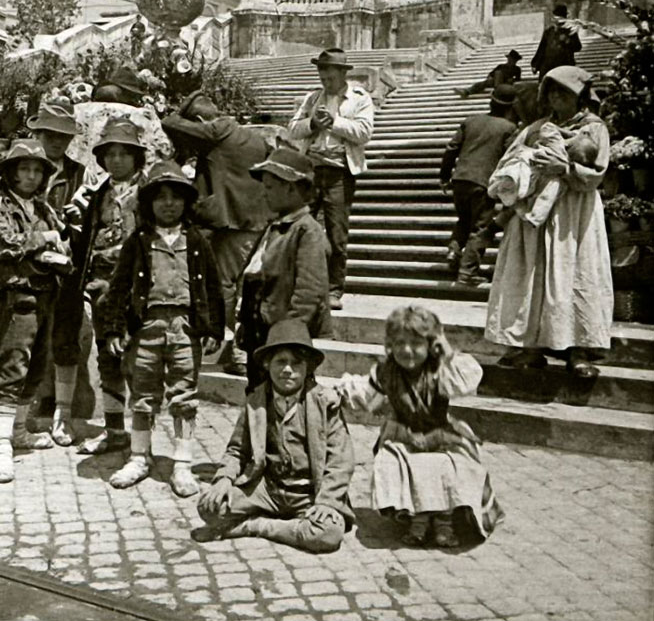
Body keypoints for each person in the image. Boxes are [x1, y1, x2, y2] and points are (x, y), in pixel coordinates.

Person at [100, 161, 225, 496]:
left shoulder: (197, 241)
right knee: (143, 392)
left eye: (175, 197)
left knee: (184, 394)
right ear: (148, 203)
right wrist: (114, 329)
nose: (168, 203)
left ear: (186, 202)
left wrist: (214, 328)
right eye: (160, 197)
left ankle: (182, 463)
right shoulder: (138, 242)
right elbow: (119, 286)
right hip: (147, 327)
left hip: (185, 327)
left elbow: (213, 286)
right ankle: (140, 456)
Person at [337, 306, 504, 547]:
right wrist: (339, 392)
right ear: (390, 345)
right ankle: (417, 518)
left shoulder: (440, 371)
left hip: (441, 433)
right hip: (403, 433)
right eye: (399, 343)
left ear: (431, 345)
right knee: (395, 462)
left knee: (446, 466)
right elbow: (366, 394)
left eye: (416, 344)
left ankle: (444, 521)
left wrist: (447, 352)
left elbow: (468, 378)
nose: (407, 350)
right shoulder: (385, 372)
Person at [485, 66, 613, 378]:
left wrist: (564, 168)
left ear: (580, 96)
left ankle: (578, 350)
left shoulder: (594, 129)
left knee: (574, 274)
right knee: (533, 276)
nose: (556, 97)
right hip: (534, 214)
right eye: (552, 91)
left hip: (574, 212)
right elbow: (509, 161)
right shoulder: (535, 127)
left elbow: (598, 173)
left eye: (564, 92)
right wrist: (524, 169)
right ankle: (531, 347)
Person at [193, 318, 354, 553]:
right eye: (280, 362)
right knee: (209, 507)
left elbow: (340, 460)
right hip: (268, 489)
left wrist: (327, 501)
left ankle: (256, 526)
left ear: (308, 367)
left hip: (308, 493)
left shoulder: (324, 403)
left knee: (328, 534)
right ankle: (285, 525)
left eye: (296, 363)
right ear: (267, 364)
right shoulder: (256, 400)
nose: (287, 369)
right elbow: (237, 449)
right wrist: (224, 479)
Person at [161, 90, 272, 375]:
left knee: (224, 283)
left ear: (200, 119)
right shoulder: (253, 137)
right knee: (237, 282)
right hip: (253, 218)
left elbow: (170, 124)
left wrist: (170, 112)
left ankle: (230, 348)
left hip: (235, 220)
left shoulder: (219, 128)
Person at [0, 140, 72, 484]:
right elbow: (1, 244)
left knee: (37, 365)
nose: (31, 176)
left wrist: (59, 249)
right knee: (12, 365)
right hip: (18, 295)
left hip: (47, 294)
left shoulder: (44, 208)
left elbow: (62, 242)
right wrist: (42, 240)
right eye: (25, 169)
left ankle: (18, 429)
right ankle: (2, 445)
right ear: (11, 173)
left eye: (37, 170)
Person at [66, 117, 149, 455]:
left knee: (141, 361)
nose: (116, 160)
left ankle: (143, 437)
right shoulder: (97, 192)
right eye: (110, 154)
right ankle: (115, 430)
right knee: (108, 360)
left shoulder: (151, 189)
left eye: (124, 154)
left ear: (136, 157)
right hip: (104, 289)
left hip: (140, 288)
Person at [19, 102, 92, 446]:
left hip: (69, 272)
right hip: (29, 273)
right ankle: (25, 412)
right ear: (38, 135)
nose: (56, 142)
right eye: (50, 135)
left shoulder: (81, 174)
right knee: (26, 340)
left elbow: (94, 221)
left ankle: (63, 415)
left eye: (63, 136)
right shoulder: (24, 171)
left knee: (65, 340)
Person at [287, 48, 374, 310]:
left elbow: (364, 132)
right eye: (322, 74)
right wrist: (313, 124)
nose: (325, 79)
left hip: (339, 172)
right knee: (302, 229)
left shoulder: (359, 98)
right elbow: (292, 129)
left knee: (337, 235)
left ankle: (334, 290)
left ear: (342, 74)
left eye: (330, 75)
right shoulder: (312, 98)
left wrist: (334, 122)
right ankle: (303, 286)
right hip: (311, 170)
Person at [238, 147, 331, 390]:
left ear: (290, 187)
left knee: (285, 398)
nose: (264, 194)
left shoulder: (306, 231)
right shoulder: (275, 227)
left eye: (269, 188)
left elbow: (310, 291)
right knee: (259, 394)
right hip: (260, 333)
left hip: (282, 337)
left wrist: (289, 338)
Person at [439, 84, 518, 287]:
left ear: (491, 101)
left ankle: (453, 251)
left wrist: (444, 176)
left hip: (460, 180)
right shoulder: (508, 128)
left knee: (463, 220)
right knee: (481, 227)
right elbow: (511, 159)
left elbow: (451, 149)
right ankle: (468, 272)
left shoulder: (470, 121)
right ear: (510, 107)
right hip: (483, 184)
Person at [531, 4, 582, 81]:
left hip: (564, 66)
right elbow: (542, 48)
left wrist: (567, 41)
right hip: (548, 66)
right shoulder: (548, 32)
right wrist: (535, 64)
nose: (557, 23)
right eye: (556, 19)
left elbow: (578, 47)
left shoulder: (570, 31)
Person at [455, 49, 522, 99]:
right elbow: (491, 74)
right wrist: (490, 78)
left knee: (498, 73)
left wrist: (512, 80)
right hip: (495, 81)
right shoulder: (501, 66)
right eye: (510, 59)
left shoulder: (517, 69)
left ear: (516, 61)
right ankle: (466, 92)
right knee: (482, 83)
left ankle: (497, 91)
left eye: (513, 60)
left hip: (506, 83)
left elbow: (518, 80)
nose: (511, 61)